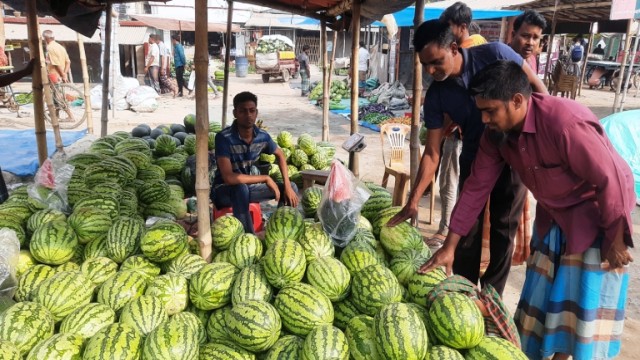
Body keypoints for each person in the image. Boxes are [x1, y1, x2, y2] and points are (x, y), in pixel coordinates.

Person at [422, 60, 634, 360]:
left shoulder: (565, 123)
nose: (483, 119)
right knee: (546, 305)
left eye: (490, 111)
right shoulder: (495, 135)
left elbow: (611, 177)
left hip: (596, 219)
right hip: (553, 219)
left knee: (582, 314)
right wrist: (450, 246)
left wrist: (616, 238)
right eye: (480, 111)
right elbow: (475, 189)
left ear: (518, 101)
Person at [387, 19, 547, 296]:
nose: (430, 70)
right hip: (475, 156)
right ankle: (462, 292)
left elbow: (537, 89)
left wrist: (547, 131)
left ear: (453, 47)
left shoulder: (495, 54)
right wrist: (413, 201)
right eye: (425, 65)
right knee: (465, 230)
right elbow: (432, 152)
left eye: (436, 62)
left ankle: (491, 298)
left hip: (513, 156)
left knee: (502, 228)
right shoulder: (436, 94)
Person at [426, 2, 488, 247]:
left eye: (448, 29)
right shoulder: (475, 51)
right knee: (466, 188)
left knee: (451, 181)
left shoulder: (470, 52)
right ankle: (457, 237)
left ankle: (446, 229)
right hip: (471, 136)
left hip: (460, 135)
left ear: (462, 28)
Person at [211, 91, 299, 233]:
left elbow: (280, 155)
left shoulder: (262, 137)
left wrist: (287, 186)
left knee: (292, 188)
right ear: (235, 113)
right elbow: (229, 177)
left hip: (247, 189)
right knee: (240, 188)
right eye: (243, 111)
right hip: (223, 191)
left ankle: (278, 230)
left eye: (252, 111)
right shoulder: (224, 138)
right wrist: (265, 178)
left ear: (256, 112)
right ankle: (248, 237)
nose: (248, 115)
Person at [510, 9, 546, 75]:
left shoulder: (532, 59)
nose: (530, 43)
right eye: (525, 36)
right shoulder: (501, 58)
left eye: (535, 38)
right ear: (513, 35)